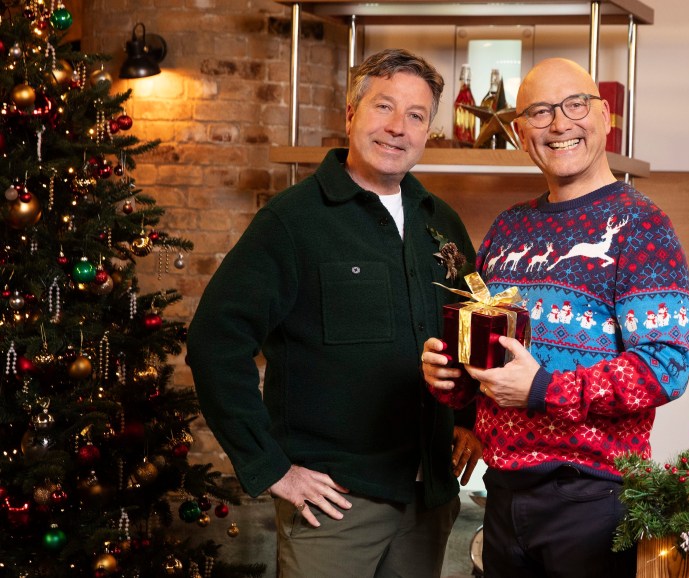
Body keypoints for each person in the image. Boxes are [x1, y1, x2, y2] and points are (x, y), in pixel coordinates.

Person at [187, 48, 482, 578]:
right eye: (383, 108)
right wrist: (271, 468)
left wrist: (467, 420)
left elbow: (467, 328)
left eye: (416, 116)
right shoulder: (292, 222)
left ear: (428, 131)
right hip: (334, 506)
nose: (398, 128)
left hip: (429, 498)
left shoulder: (442, 223)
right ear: (350, 115)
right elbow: (215, 340)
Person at [422, 58, 689, 578]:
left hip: (592, 499)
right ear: (523, 135)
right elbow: (488, 363)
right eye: (541, 112)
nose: (560, 124)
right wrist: (449, 378)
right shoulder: (507, 229)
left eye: (576, 105)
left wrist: (545, 389)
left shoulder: (643, 226)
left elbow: (666, 366)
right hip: (501, 495)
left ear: (605, 117)